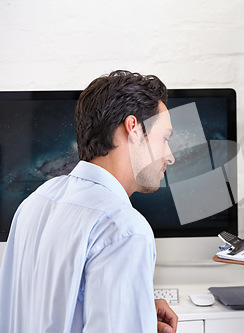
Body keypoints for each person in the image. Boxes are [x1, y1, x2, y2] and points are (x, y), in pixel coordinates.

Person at [0, 70, 178, 333]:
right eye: (164, 139)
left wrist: (133, 309)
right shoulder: (123, 229)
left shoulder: (36, 201)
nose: (170, 156)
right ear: (134, 129)